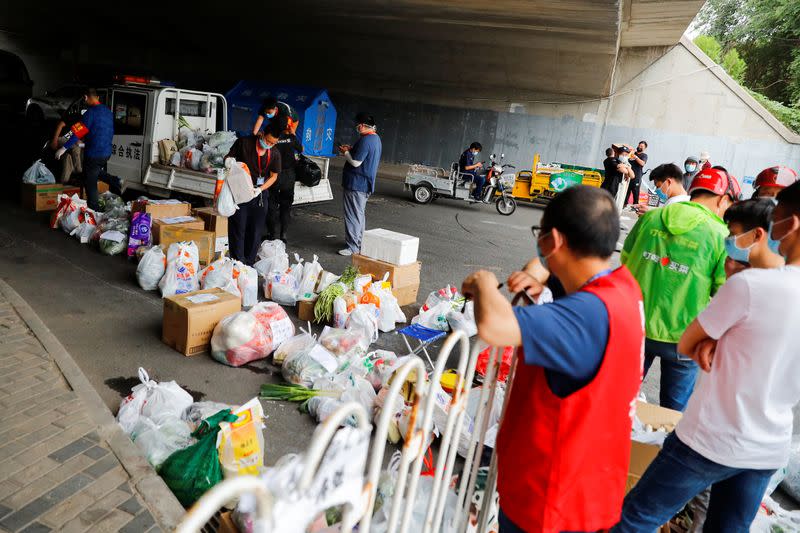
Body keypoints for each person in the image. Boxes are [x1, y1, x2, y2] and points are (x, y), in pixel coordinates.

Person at [614, 180, 800, 533]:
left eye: (777, 218)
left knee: (636, 517)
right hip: (767, 448)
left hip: (711, 438)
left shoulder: (750, 286)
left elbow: (687, 344)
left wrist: (711, 341)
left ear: (789, 224)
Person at [462, 186, 645, 533]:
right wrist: (541, 282)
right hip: (588, 486)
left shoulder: (587, 313)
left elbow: (495, 325)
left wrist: (484, 283)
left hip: (549, 502)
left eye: (540, 234)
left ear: (554, 240)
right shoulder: (623, 289)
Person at [621, 167, 740, 411]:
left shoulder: (651, 218)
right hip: (684, 338)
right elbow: (723, 291)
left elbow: (625, 260)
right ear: (723, 199)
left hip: (635, 327)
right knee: (673, 413)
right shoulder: (720, 234)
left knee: (619, 400)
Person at [55, 87, 120, 210]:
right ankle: (115, 180)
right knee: (91, 172)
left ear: (85, 97)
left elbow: (77, 133)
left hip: (94, 153)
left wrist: (63, 148)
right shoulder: (108, 111)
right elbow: (105, 130)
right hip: (106, 152)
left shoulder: (89, 113)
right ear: (98, 97)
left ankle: (94, 211)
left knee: (90, 183)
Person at [225, 124, 281, 265]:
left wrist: (261, 189)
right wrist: (228, 162)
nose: (268, 145)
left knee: (255, 232)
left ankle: (248, 265)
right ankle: (237, 263)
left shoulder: (274, 153)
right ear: (261, 134)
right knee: (238, 229)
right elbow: (228, 157)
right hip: (240, 192)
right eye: (267, 141)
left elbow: (274, 176)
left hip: (259, 195)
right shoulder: (244, 143)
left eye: (273, 143)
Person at [337, 112, 381, 257]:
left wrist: (345, 153)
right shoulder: (375, 139)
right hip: (365, 184)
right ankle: (359, 243)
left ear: (362, 126)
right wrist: (351, 150)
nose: (357, 128)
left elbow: (356, 162)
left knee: (352, 216)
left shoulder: (365, 141)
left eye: (357, 125)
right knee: (359, 215)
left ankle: (353, 247)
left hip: (356, 184)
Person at [723, 198, 785, 277]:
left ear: (757, 235)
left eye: (732, 233)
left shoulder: (745, 282)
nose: (727, 239)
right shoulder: (792, 279)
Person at [267, 113, 304, 243]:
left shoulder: (272, 138)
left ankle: (271, 234)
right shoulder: (291, 138)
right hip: (289, 176)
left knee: (271, 205)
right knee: (286, 206)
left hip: (273, 175)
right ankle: (284, 234)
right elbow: (301, 149)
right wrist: (293, 133)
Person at [601, 143, 634, 208]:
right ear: (617, 154)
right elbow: (623, 170)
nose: (624, 156)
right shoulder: (614, 161)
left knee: (615, 206)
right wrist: (627, 169)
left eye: (626, 155)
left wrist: (627, 168)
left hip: (620, 188)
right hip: (610, 186)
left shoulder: (626, 164)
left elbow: (632, 176)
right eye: (622, 154)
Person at [626, 140, 648, 206]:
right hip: (628, 176)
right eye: (639, 145)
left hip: (636, 177)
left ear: (644, 148)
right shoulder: (632, 153)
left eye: (641, 146)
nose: (639, 147)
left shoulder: (644, 155)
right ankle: (624, 205)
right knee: (626, 192)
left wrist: (635, 157)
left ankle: (635, 207)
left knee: (635, 194)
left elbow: (642, 163)